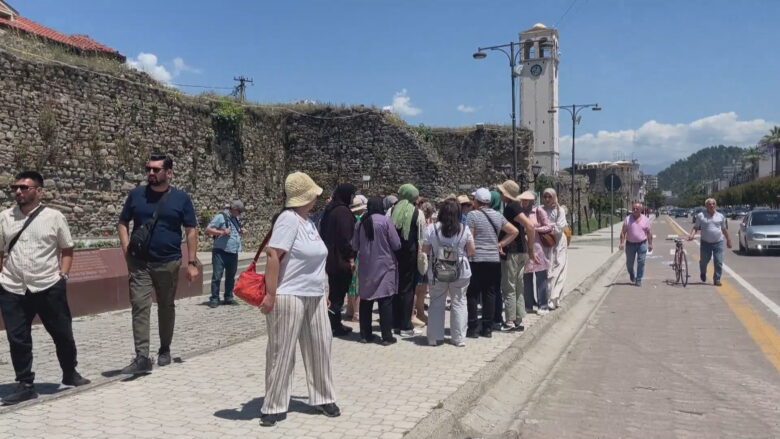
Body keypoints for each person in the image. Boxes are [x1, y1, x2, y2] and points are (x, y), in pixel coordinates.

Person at [0, 171, 91, 405]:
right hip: (13, 286)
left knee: (62, 333)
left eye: (24, 187)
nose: (18, 191)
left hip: (48, 285)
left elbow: (67, 248)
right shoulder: (5, 217)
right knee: (17, 337)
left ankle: (70, 372)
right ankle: (25, 383)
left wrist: (63, 275)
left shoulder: (54, 217)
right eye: (15, 187)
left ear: (39, 191)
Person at [259, 172, 339, 426]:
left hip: (314, 294)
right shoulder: (288, 219)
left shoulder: (308, 223)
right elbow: (273, 255)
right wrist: (270, 294)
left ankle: (323, 396)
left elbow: (317, 261)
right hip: (289, 293)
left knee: (320, 346)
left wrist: (324, 292)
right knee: (282, 350)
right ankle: (273, 404)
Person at [117, 153, 199, 374]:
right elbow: (123, 223)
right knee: (140, 306)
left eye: (156, 169)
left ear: (169, 173)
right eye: (148, 169)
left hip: (168, 262)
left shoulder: (181, 198)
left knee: (166, 306)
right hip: (140, 263)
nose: (151, 173)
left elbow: (191, 231)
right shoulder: (136, 195)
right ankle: (142, 357)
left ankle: (164, 348)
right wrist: (126, 249)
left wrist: (192, 262)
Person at [465, 188, 518, 338]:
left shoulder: (472, 215)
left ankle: (473, 327)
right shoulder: (497, 215)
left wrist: (469, 253)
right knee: (490, 292)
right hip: (493, 259)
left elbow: (471, 238)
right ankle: (487, 328)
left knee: (473, 293)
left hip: (477, 259)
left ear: (477, 201)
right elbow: (514, 231)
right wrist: (500, 244)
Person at [423, 199, 475, 347]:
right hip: (460, 271)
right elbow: (472, 251)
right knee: (459, 302)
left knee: (436, 303)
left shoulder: (432, 229)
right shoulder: (464, 229)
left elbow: (425, 250)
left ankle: (434, 338)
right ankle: (458, 338)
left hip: (437, 271)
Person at [351, 197, 401, 345]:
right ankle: (386, 336)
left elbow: (354, 245)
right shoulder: (385, 221)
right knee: (385, 300)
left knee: (366, 301)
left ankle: (365, 335)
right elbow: (396, 244)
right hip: (385, 266)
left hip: (366, 267)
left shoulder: (360, 223)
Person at [496, 180, 537, 331]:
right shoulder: (517, 207)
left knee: (509, 286)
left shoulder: (511, 207)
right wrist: (529, 249)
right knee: (518, 286)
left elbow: (530, 226)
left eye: (501, 192)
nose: (500, 194)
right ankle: (518, 317)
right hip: (521, 251)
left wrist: (532, 249)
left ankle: (510, 320)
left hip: (512, 252)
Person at [387, 184, 426, 337]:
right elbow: (421, 237)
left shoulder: (391, 211)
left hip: (393, 254)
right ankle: (405, 326)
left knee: (395, 288)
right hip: (410, 256)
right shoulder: (418, 213)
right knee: (408, 290)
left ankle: (394, 323)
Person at [319, 183, 357, 336]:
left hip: (331, 257)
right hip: (340, 259)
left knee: (335, 291)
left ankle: (333, 323)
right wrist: (351, 257)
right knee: (338, 294)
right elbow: (345, 238)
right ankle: (333, 325)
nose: (353, 198)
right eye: (352, 195)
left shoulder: (331, 210)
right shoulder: (343, 212)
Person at [204, 200, 246, 308]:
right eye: (239, 211)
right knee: (217, 276)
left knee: (230, 276)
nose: (240, 214)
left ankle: (228, 297)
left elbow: (235, 231)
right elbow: (208, 229)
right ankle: (214, 298)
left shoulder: (236, 218)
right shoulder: (220, 217)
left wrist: (241, 230)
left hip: (233, 252)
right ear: (234, 209)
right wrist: (221, 232)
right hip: (220, 252)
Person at [519, 191, 552, 315]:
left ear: (532, 201)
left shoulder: (538, 211)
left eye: (527, 200)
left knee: (541, 277)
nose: (524, 202)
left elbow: (548, 226)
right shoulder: (520, 213)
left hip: (538, 248)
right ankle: (528, 305)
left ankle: (543, 305)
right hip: (525, 248)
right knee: (526, 278)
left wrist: (534, 229)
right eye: (523, 200)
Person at [688, 198, 731, 286]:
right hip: (705, 243)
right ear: (706, 206)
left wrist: (728, 240)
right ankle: (703, 272)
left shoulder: (720, 216)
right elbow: (696, 227)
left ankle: (717, 279)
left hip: (718, 242)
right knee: (704, 261)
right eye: (709, 204)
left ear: (715, 205)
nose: (711, 206)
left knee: (718, 261)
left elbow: (724, 229)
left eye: (713, 204)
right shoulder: (700, 216)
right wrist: (692, 235)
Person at [541, 188, 569, 309]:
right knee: (549, 270)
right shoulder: (541, 210)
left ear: (554, 197)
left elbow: (560, 227)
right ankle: (553, 298)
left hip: (559, 242)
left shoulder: (560, 210)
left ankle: (554, 297)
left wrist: (547, 227)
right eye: (545, 196)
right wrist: (548, 227)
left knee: (560, 267)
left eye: (549, 197)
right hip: (547, 243)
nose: (547, 199)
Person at [619, 202, 653, 287]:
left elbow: (649, 233)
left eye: (637, 209)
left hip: (642, 244)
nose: (634, 210)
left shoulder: (645, 220)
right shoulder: (628, 219)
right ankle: (631, 273)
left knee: (641, 262)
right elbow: (623, 232)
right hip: (630, 244)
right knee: (629, 264)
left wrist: (650, 244)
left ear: (641, 210)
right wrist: (622, 243)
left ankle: (638, 279)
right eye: (633, 208)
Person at [413, 200, 436, 326]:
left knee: (422, 287)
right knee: (419, 288)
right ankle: (417, 313)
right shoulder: (423, 222)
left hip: (424, 257)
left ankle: (420, 312)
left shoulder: (429, 223)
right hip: (422, 257)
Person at [345, 195, 367, 322]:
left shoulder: (349, 219)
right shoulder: (361, 220)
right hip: (358, 254)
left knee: (350, 284)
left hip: (349, 254)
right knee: (357, 285)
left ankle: (350, 310)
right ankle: (357, 313)